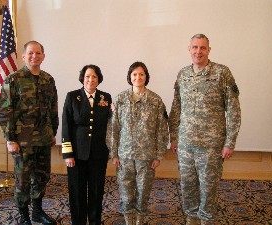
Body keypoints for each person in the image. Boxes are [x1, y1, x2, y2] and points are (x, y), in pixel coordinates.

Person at [168, 34, 241, 225]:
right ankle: (191, 220)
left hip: (211, 146)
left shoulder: (221, 73)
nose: (198, 51)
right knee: (188, 186)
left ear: (209, 49)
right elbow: (176, 107)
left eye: (202, 48)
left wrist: (229, 142)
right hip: (185, 145)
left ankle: (207, 221)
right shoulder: (183, 74)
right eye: (194, 47)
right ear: (189, 49)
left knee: (209, 188)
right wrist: (173, 137)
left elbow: (233, 109)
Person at [0, 41, 58, 225]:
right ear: (24, 56)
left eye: (38, 53)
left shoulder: (48, 79)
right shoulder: (13, 79)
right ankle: (24, 216)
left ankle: (37, 212)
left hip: (44, 139)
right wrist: (10, 139)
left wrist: (52, 132)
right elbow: (5, 112)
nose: (34, 56)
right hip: (22, 142)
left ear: (43, 56)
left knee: (41, 177)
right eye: (30, 53)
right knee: (23, 181)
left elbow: (52, 109)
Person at [106, 61, 169, 225]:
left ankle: (140, 220)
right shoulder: (120, 99)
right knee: (126, 192)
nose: (138, 77)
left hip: (147, 156)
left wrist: (159, 155)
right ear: (129, 77)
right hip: (125, 155)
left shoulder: (155, 100)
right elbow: (114, 128)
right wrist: (114, 154)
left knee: (143, 192)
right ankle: (128, 220)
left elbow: (162, 129)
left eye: (141, 74)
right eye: (134, 74)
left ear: (146, 77)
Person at [61, 64, 112, 225]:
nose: (91, 79)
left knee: (97, 190)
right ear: (83, 78)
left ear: (99, 79)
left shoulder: (106, 98)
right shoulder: (72, 97)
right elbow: (66, 126)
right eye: (88, 76)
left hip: (98, 153)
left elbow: (110, 124)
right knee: (77, 190)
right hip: (76, 154)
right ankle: (78, 221)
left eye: (94, 76)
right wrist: (68, 154)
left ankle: (95, 220)